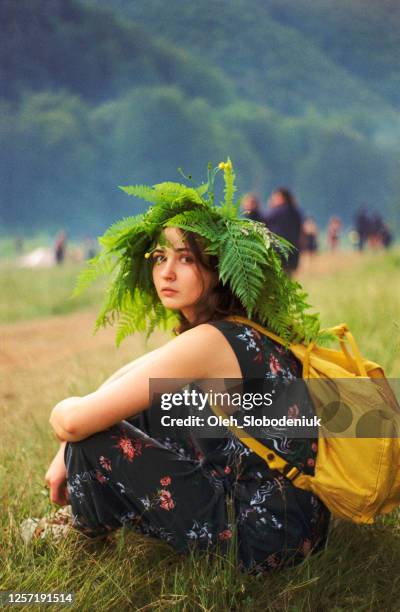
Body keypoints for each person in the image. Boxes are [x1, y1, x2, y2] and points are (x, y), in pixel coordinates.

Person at [45, 162, 330, 573]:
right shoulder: (238, 330)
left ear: (218, 270)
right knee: (152, 403)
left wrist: (66, 430)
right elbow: (128, 376)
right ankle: (83, 519)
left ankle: (81, 533)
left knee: (90, 440)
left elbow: (73, 424)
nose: (166, 271)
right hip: (299, 526)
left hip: (261, 540)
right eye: (159, 257)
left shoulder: (209, 341)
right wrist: (62, 453)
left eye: (186, 259)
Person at [264, 188, 304, 276]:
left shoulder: (276, 212)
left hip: (278, 250)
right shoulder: (296, 211)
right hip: (293, 250)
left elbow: (262, 223)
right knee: (289, 279)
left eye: (275, 197)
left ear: (281, 198)